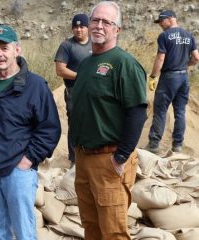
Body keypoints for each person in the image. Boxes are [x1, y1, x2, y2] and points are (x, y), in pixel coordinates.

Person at [0, 25, 61, 240]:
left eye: (4, 48)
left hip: (18, 172)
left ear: (17, 50)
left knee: (24, 232)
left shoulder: (35, 85)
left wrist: (27, 161)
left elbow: (49, 129)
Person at [69, 2, 147, 239]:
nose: (99, 26)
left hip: (109, 160)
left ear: (117, 29)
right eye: (95, 20)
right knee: (91, 228)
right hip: (84, 159)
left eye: (107, 22)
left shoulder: (124, 63)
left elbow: (137, 112)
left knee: (113, 232)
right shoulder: (85, 64)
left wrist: (121, 156)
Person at [145, 10, 199, 153]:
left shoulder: (164, 36)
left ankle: (154, 145)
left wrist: (153, 76)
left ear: (170, 19)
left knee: (160, 111)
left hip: (169, 78)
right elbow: (196, 57)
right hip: (183, 78)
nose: (160, 25)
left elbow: (160, 58)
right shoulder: (189, 35)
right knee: (180, 112)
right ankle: (177, 145)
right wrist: (185, 65)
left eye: (161, 21)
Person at [54, 13, 92, 165]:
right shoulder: (67, 46)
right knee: (75, 124)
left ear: (88, 28)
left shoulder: (95, 44)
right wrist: (82, 76)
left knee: (93, 123)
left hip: (94, 90)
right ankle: (74, 159)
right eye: (75, 27)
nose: (78, 30)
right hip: (74, 91)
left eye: (82, 26)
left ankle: (90, 154)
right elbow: (60, 70)